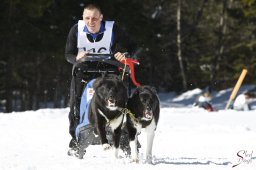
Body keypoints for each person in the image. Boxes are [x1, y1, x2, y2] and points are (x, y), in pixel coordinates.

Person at [65, 4, 137, 154]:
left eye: (95, 18)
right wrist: (76, 57)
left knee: (120, 100)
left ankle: (126, 134)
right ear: (83, 18)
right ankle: (76, 139)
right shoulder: (76, 30)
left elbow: (134, 47)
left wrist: (125, 54)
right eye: (87, 18)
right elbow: (68, 54)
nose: (91, 21)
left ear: (101, 18)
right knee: (76, 104)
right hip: (84, 72)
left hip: (109, 72)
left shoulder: (113, 29)